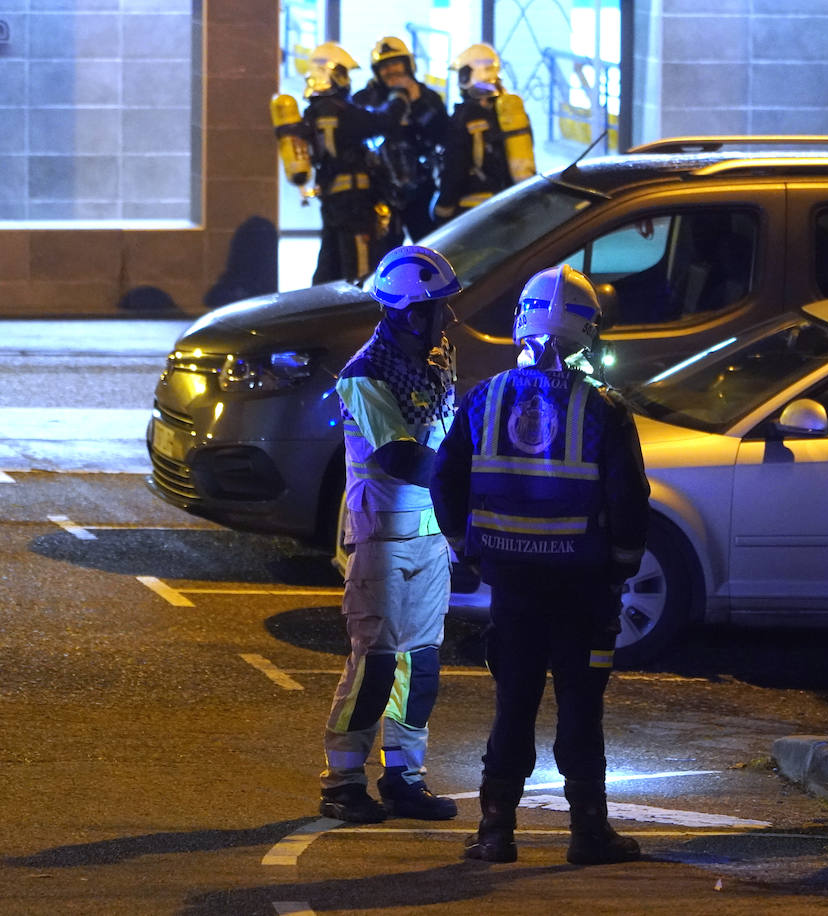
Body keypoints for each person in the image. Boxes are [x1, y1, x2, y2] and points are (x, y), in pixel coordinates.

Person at [431, 265, 650, 866]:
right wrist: (620, 568)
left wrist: (464, 548)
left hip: (513, 587)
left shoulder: (485, 396)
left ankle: (496, 833)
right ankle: (588, 833)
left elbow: (444, 477)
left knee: (513, 706)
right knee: (581, 707)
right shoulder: (604, 408)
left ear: (520, 321)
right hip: (584, 590)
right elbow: (630, 499)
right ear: (588, 332)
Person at [318, 244, 463, 823]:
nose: (447, 318)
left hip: (428, 536)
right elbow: (404, 457)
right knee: (374, 664)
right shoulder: (364, 375)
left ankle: (404, 776)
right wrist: (471, 486)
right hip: (380, 539)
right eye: (437, 308)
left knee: (421, 664)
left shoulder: (437, 358)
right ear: (407, 311)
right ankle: (343, 781)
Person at [296, 42, 408, 284]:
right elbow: (384, 121)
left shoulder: (313, 112)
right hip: (355, 205)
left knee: (329, 263)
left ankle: (317, 313)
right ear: (333, 75)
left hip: (332, 200)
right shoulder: (341, 112)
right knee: (360, 269)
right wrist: (400, 95)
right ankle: (360, 318)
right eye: (343, 74)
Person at [353, 36, 449, 242]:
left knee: (432, 248)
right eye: (384, 66)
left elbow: (443, 134)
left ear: (408, 65)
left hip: (422, 191)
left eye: (396, 63)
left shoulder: (428, 97)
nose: (391, 71)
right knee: (380, 257)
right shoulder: (364, 99)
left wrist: (417, 104)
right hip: (379, 195)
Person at [432, 43, 535, 224]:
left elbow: (455, 167)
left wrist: (443, 209)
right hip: (511, 203)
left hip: (473, 212)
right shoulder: (511, 111)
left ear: (469, 74)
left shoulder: (465, 115)